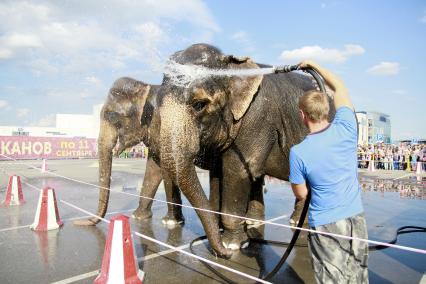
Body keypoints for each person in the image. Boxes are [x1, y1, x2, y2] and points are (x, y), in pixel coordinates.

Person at [289, 60, 369, 283]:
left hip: (326, 225)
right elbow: (340, 86)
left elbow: (301, 194)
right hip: (356, 218)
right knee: (358, 276)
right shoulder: (347, 127)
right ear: (327, 110)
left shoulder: (298, 152)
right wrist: (314, 65)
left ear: (302, 115)